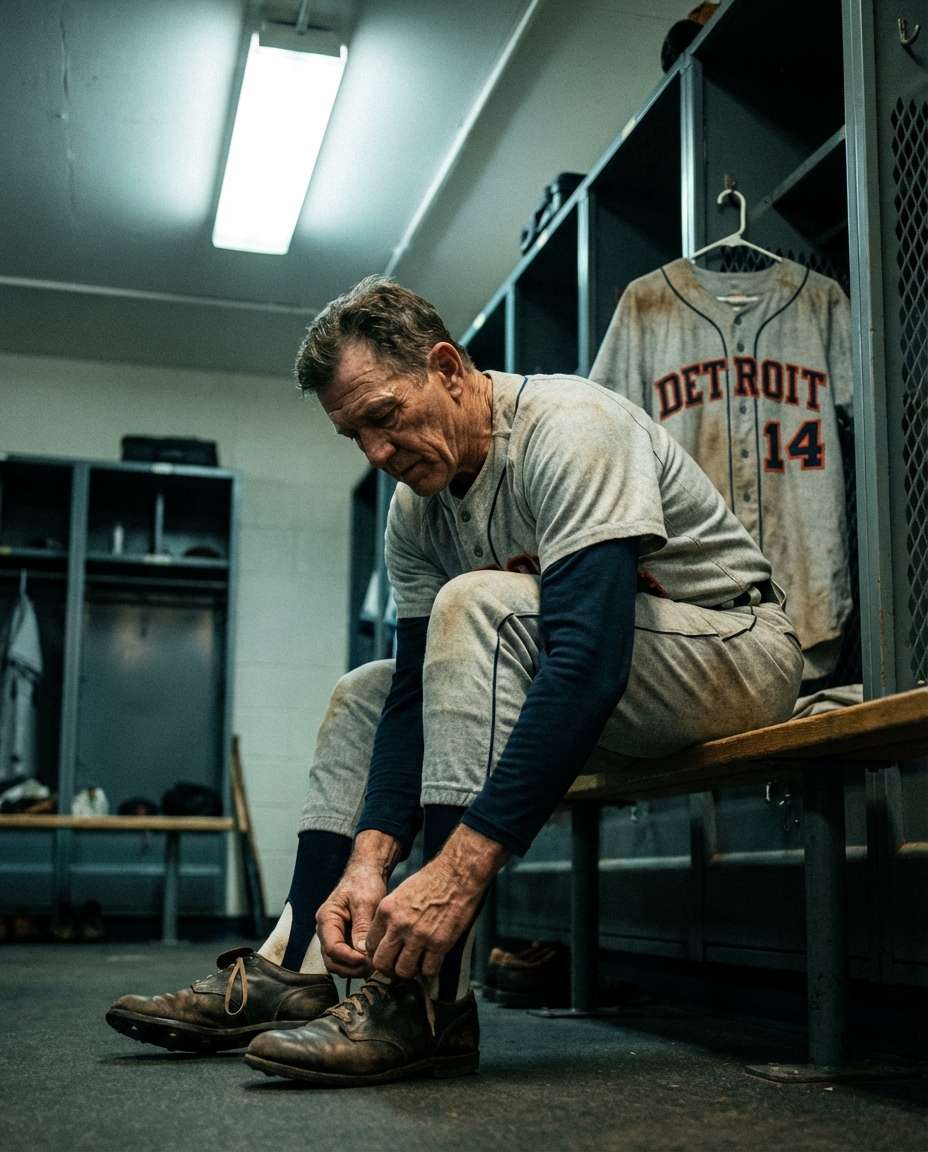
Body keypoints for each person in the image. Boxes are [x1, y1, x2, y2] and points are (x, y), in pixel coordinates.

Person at [106, 276, 803, 1087]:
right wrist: (367, 862)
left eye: (383, 417)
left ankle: (425, 999)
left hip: (738, 650)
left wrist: (455, 871)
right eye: (353, 436)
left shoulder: (569, 428)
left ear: (446, 367)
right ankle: (293, 962)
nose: (375, 453)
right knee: (366, 687)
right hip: (622, 679)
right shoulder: (416, 510)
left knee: (478, 604)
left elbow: (588, 663)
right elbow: (408, 699)